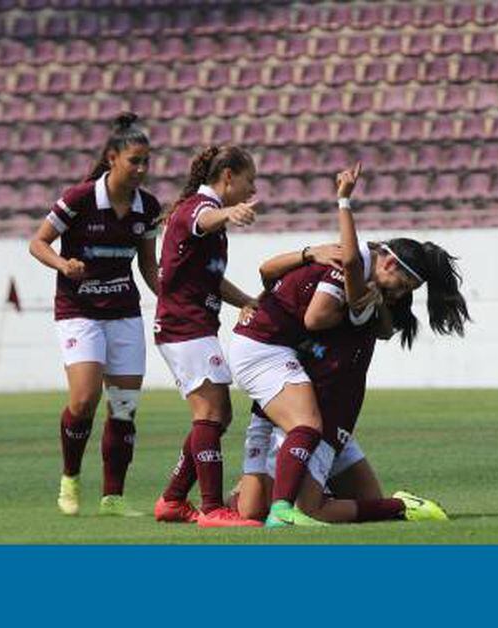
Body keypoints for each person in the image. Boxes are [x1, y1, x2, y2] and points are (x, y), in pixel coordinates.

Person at [229, 163, 470, 527]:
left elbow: (353, 294)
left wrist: (343, 202)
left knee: (331, 504)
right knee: (262, 506)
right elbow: (288, 280)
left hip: (331, 408)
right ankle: (274, 500)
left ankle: (395, 506)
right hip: (307, 392)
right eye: (402, 284)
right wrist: (315, 243)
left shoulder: (366, 294)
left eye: (406, 291)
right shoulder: (358, 281)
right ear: (387, 261)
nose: (399, 294)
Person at [28, 112, 160, 517]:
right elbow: (38, 243)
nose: (140, 169)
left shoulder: (147, 207)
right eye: (133, 160)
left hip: (123, 312)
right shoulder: (80, 198)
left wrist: (170, 302)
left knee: (123, 406)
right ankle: (70, 478)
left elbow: (148, 267)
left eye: (146, 162)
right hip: (79, 310)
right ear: (112, 157)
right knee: (84, 399)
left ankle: (113, 498)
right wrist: (63, 264)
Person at [150, 145, 265, 528]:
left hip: (192, 326)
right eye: (249, 180)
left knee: (217, 414)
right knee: (211, 412)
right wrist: (229, 212)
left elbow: (211, 277)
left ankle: (172, 500)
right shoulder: (196, 209)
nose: (252, 189)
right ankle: (212, 508)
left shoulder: (208, 220)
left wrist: (245, 300)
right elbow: (205, 217)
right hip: (185, 327)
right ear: (228, 176)